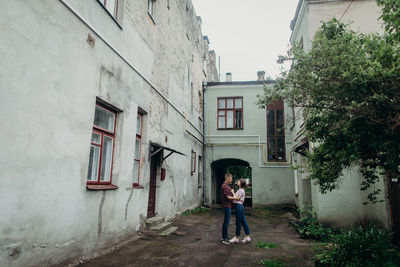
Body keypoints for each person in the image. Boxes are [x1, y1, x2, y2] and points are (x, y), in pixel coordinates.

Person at [220, 173, 241, 245]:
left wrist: (233, 193)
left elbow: (230, 195)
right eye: (231, 178)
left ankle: (224, 237)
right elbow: (227, 197)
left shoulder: (227, 186)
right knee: (226, 222)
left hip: (228, 206)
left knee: (226, 221)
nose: (232, 180)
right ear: (227, 178)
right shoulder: (225, 186)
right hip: (227, 206)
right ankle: (224, 238)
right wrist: (236, 198)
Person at [229, 179, 251, 243]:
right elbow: (236, 197)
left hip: (239, 206)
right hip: (239, 206)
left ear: (241, 183)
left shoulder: (241, 190)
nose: (237, 182)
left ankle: (236, 237)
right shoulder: (241, 190)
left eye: (238, 181)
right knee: (243, 221)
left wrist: (232, 193)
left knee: (238, 222)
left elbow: (237, 198)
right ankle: (247, 236)